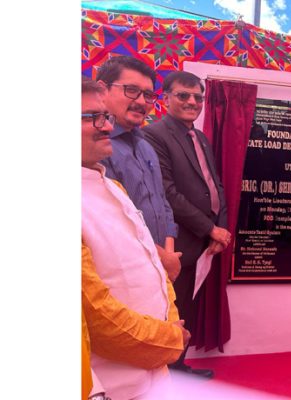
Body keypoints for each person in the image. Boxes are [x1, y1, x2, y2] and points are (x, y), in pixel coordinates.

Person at [81, 78, 189, 400]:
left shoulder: (112, 187)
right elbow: (97, 315)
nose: (105, 127)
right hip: (112, 384)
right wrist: (170, 339)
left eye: (105, 117)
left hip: (155, 372)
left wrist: (169, 326)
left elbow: (150, 263)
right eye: (91, 118)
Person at [142, 71, 230, 378]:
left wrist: (222, 229)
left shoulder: (200, 137)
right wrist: (210, 228)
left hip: (204, 242)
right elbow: (168, 193)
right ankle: (166, 375)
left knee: (188, 309)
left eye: (198, 97)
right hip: (176, 243)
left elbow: (214, 185)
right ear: (165, 98)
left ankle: (179, 368)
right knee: (172, 310)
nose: (192, 102)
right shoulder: (154, 135)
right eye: (183, 95)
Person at [96, 56, 182, 281]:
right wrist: (162, 258)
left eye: (148, 95)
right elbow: (113, 220)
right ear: (102, 90)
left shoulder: (145, 146)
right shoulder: (95, 146)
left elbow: (162, 201)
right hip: (121, 272)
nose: (142, 101)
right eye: (132, 90)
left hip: (160, 267)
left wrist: (168, 253)